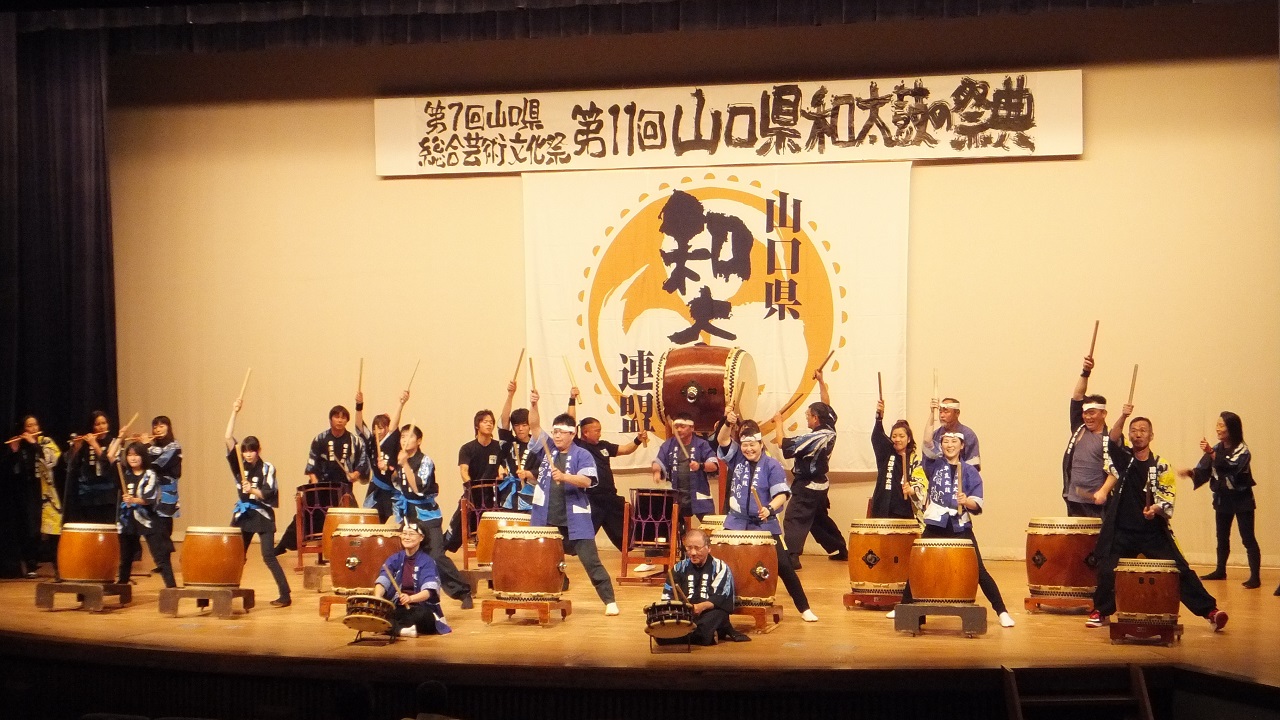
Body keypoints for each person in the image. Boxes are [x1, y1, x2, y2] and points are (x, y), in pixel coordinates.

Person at [1085, 409, 1228, 630]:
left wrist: (1155, 509)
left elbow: (1168, 498)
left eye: (1143, 430)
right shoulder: (1124, 460)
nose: (1138, 434)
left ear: (1151, 436)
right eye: (1134, 431)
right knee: (1107, 570)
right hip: (1122, 531)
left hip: (1153, 533)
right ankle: (1101, 611)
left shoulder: (1161, 465)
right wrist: (1123, 416)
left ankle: (1210, 611)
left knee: (1178, 569)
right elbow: (1112, 439)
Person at [898, 428, 1015, 628]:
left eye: (954, 442)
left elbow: (977, 503)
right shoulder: (934, 465)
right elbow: (927, 441)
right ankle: (904, 606)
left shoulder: (969, 471)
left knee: (978, 570)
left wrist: (966, 501)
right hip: (935, 523)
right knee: (918, 566)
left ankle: (1002, 611)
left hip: (959, 525)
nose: (949, 445)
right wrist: (932, 415)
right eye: (946, 441)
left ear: (962, 446)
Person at [717, 412, 819, 622]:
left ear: (761, 444)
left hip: (764, 524)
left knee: (784, 566)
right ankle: (718, 608)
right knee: (722, 564)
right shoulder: (736, 459)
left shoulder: (772, 465)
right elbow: (722, 439)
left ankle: (804, 608)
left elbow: (782, 494)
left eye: (752, 445)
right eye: (745, 445)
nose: (748, 449)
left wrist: (769, 509)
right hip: (736, 522)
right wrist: (728, 422)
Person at [528, 412, 619, 615]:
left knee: (591, 561)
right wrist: (533, 405)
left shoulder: (582, 454)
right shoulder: (548, 448)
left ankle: (609, 600)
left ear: (572, 434)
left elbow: (586, 480)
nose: (557, 435)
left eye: (562, 432)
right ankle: (544, 598)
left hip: (575, 519)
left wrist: (565, 477)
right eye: (555, 431)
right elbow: (534, 425)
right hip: (546, 518)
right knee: (541, 561)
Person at [395, 423, 474, 609]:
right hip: (408, 515)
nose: (405, 440)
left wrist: (404, 464)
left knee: (436, 556)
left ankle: (463, 592)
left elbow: (419, 487)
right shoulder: (400, 461)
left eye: (410, 436)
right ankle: (411, 596)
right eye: (403, 436)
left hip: (427, 515)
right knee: (407, 555)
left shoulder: (425, 461)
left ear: (419, 440)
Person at [775, 369, 847, 568]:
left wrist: (779, 422)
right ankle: (840, 548)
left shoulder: (814, 437)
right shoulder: (830, 429)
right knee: (818, 520)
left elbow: (782, 443)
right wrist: (821, 381)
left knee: (794, 518)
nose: (806, 418)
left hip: (807, 486)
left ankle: (792, 558)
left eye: (808, 415)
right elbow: (826, 404)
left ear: (816, 418)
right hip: (821, 486)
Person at [225, 399, 292, 607]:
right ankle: (228, 591)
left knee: (268, 556)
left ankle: (285, 594)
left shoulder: (267, 468)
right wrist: (234, 411)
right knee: (236, 555)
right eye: (245, 451)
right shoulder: (239, 464)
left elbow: (270, 491)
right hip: (244, 515)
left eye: (251, 451)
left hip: (262, 515)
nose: (247, 454)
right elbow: (227, 437)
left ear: (258, 450)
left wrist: (252, 490)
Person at [276, 405, 368, 555]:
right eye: (336, 417)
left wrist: (355, 474)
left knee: (352, 516)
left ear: (347, 420)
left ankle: (353, 550)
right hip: (321, 487)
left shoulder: (355, 441)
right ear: (331, 419)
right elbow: (312, 465)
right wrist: (315, 485)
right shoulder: (320, 439)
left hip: (343, 488)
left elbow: (362, 463)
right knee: (305, 513)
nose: (340, 420)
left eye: (343, 417)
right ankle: (284, 545)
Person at [1189, 411, 1262, 590]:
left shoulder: (1242, 449)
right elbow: (1204, 469)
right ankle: (1220, 570)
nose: (1218, 428)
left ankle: (1255, 577)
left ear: (1232, 429)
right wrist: (1191, 473)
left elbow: (1231, 465)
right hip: (1223, 498)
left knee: (1247, 538)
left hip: (1242, 498)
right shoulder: (1217, 447)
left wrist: (1211, 452)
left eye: (1221, 425)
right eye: (1217, 424)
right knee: (1222, 536)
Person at [655, 528, 751, 645]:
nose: (693, 553)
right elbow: (668, 597)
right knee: (659, 632)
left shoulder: (720, 568)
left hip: (709, 612)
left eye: (697, 548)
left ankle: (691, 636)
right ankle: (703, 636)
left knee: (707, 625)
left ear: (708, 548)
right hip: (685, 614)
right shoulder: (678, 568)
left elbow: (720, 598)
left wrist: (700, 607)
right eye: (689, 548)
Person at [574, 404, 646, 552]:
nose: (600, 434)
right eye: (597, 431)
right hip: (590, 498)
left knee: (625, 534)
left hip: (609, 497)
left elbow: (625, 449)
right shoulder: (579, 446)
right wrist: (572, 399)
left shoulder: (604, 446)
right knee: (581, 537)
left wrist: (638, 440)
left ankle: (634, 552)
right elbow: (570, 422)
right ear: (585, 432)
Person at [113, 441, 176, 587]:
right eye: (130, 455)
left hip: (148, 518)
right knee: (126, 556)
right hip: (127, 519)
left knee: (160, 556)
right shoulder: (125, 474)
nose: (133, 458)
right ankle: (122, 585)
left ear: (143, 457)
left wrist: (133, 499)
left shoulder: (150, 474)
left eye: (136, 455)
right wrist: (120, 438)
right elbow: (110, 458)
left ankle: (171, 587)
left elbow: (149, 498)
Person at [374, 523, 452, 637]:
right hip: (398, 608)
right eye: (404, 533)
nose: (407, 537)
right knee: (383, 613)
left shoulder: (427, 561)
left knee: (422, 615)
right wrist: (377, 598)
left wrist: (410, 598)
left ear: (421, 537)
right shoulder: (395, 559)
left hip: (419, 607)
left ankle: (392, 628)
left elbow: (428, 591)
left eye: (411, 534)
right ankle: (403, 631)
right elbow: (384, 579)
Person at [7, 415, 62, 578]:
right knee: (32, 530)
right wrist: (14, 452)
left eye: (35, 425)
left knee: (53, 530)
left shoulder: (46, 442)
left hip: (47, 492)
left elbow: (51, 461)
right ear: (23, 429)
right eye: (29, 426)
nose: (33, 428)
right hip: (29, 492)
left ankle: (59, 566)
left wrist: (34, 444)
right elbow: (14, 471)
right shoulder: (21, 445)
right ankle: (31, 564)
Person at [444, 409, 506, 553]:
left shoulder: (498, 447)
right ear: (477, 425)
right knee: (459, 521)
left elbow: (505, 468)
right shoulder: (467, 448)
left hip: (492, 494)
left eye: (491, 422)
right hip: (473, 493)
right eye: (485, 422)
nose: (489, 424)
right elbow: (464, 471)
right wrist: (470, 488)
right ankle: (443, 549)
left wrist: (503, 474)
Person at [1061, 355, 1114, 517]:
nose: (1087, 417)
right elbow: (1077, 395)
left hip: (1097, 503)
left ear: (1103, 413)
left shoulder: (1111, 438)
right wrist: (1085, 372)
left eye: (1092, 413)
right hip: (1074, 499)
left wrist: (1104, 491)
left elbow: (1117, 469)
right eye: (1085, 413)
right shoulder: (1079, 427)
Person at [651, 412, 718, 530]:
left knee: (711, 527)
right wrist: (656, 472)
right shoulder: (669, 444)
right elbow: (658, 461)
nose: (679, 430)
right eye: (676, 427)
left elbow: (714, 465)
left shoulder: (701, 444)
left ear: (692, 428)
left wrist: (700, 466)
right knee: (667, 527)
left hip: (699, 493)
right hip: (676, 495)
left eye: (682, 426)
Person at [354, 391, 408, 523]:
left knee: (399, 524)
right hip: (377, 489)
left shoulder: (392, 440)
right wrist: (359, 405)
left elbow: (394, 424)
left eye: (381, 428)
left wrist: (401, 404)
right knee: (368, 522)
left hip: (393, 489)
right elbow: (359, 426)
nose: (377, 432)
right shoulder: (371, 441)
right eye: (375, 428)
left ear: (387, 428)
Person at [869, 400, 923, 521]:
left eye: (901, 436)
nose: (897, 439)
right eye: (894, 436)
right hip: (882, 508)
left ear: (909, 439)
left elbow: (921, 484)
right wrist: (879, 417)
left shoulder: (914, 460)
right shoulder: (886, 453)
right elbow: (877, 437)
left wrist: (912, 490)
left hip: (904, 510)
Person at [65, 411, 116, 524]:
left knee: (107, 526)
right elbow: (71, 464)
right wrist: (76, 448)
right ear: (92, 426)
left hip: (106, 494)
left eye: (104, 423)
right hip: (88, 494)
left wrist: (95, 444)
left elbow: (109, 463)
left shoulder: (113, 442)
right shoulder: (86, 442)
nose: (101, 427)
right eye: (97, 424)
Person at [496, 382, 539, 511]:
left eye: (524, 425)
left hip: (531, 493)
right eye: (517, 425)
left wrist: (527, 474)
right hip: (509, 494)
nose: (520, 429)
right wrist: (510, 395)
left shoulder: (536, 445)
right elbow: (504, 420)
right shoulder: (509, 442)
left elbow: (542, 471)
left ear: (529, 426)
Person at [930, 397, 981, 470]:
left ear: (957, 413)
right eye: (940, 412)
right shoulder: (935, 434)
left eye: (946, 412)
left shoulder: (968, 435)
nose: (942, 415)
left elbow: (973, 467)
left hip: (962, 475)